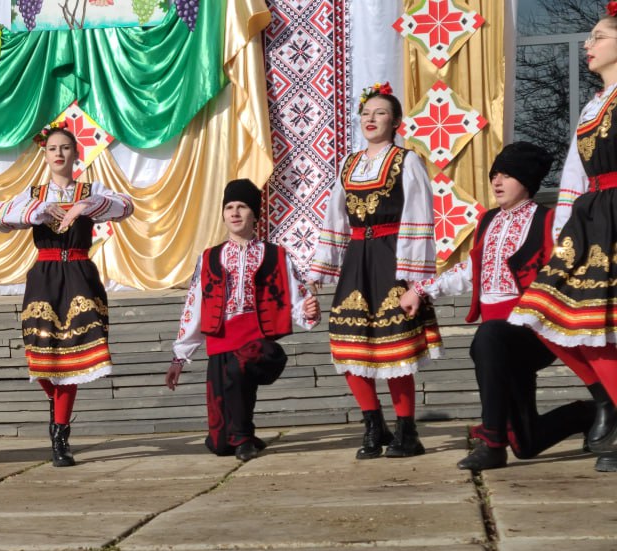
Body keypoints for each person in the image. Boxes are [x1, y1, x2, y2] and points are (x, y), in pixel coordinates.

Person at [400, 143, 595, 471]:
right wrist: (422, 289)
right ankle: (588, 415)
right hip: (498, 342)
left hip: (535, 333)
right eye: (494, 175)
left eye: (508, 175)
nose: (497, 181)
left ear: (527, 181)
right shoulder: (488, 220)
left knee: (488, 337)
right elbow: (470, 271)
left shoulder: (549, 222)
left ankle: (491, 442)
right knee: (526, 443)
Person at [307, 82, 442, 460]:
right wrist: (319, 272)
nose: (371, 118)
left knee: (394, 346)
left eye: (380, 113)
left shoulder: (406, 160)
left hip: (391, 256)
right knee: (350, 342)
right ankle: (372, 424)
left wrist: (414, 277)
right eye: (366, 113)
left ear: (395, 121)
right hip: (356, 258)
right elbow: (334, 218)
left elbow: (418, 216)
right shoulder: (349, 164)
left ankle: (407, 430)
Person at [509, 10, 617, 473]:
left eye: (599, 36)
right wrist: (560, 231)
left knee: (602, 327)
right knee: (543, 315)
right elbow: (573, 174)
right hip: (588, 219)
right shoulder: (594, 106)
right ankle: (606, 401)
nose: (588, 44)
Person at [0, 122, 134, 467]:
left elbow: (127, 206)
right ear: (46, 154)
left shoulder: (90, 189)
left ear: (75, 154)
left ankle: (60, 434)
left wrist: (86, 206)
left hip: (80, 274)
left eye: (65, 148)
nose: (59, 153)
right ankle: (58, 411)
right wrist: (36, 213)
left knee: (72, 359)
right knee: (41, 356)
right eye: (53, 148)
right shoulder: (34, 194)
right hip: (45, 274)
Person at [165, 180, 321, 460]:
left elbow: (295, 297)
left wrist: (307, 313)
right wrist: (179, 358)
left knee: (238, 371)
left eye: (242, 206)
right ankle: (239, 434)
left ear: (255, 215)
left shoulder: (275, 254)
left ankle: (244, 437)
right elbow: (195, 305)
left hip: (257, 340)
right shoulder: (209, 257)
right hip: (220, 341)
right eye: (229, 207)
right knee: (219, 445)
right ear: (223, 214)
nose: (235, 212)